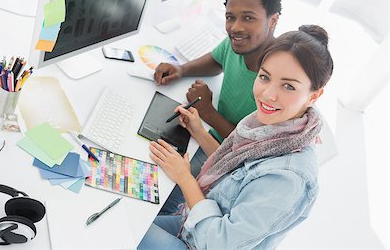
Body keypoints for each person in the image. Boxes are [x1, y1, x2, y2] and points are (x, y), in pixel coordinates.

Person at [138, 25, 334, 250]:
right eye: (264, 77)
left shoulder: (288, 179)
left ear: (314, 95)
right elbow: (236, 167)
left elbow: (218, 243)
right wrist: (199, 132)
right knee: (131, 217)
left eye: (288, 86)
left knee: (122, 228)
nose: (268, 94)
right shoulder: (273, 124)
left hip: (208, 242)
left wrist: (185, 178)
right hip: (193, 226)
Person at [157, 0, 282, 214]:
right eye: (230, 17)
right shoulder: (238, 45)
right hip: (204, 134)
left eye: (248, 18)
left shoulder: (275, 79)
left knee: (160, 201)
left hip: (226, 159)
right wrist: (181, 69)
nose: (236, 28)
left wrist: (208, 112)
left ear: (273, 20)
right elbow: (217, 60)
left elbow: (247, 147)